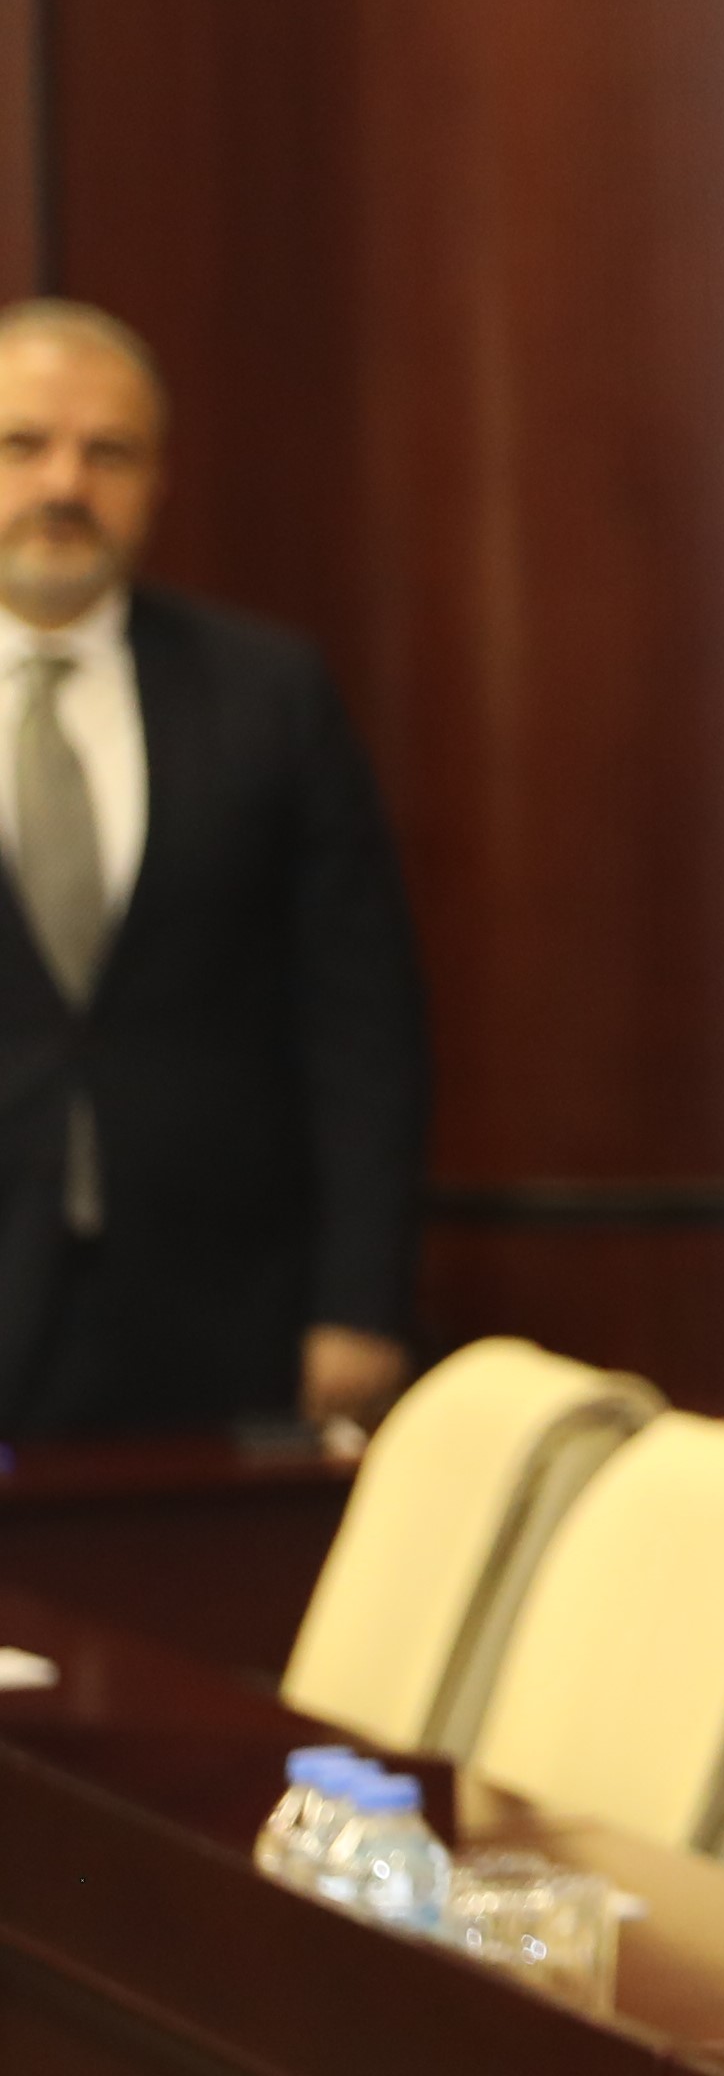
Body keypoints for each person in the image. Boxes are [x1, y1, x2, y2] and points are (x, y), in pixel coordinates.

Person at [0, 302, 424, 1440]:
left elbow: (361, 1019)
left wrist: (360, 1298)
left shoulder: (268, 693)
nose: (64, 484)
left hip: (219, 1314)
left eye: (109, 452)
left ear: (158, 483)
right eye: (23, 444)